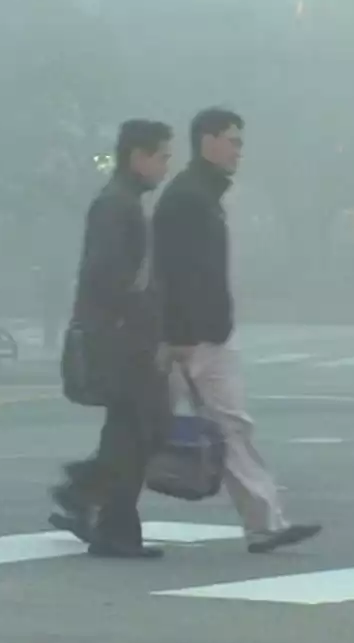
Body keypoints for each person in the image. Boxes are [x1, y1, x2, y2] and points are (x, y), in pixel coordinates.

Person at [153, 107, 322, 554]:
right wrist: (176, 335)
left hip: (203, 333)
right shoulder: (187, 199)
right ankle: (91, 498)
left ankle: (264, 522)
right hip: (193, 338)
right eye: (234, 141)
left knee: (223, 428)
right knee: (159, 429)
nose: (239, 151)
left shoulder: (200, 196)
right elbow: (173, 272)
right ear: (207, 141)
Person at [51, 119, 174, 559]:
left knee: (131, 433)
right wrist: (142, 326)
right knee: (140, 429)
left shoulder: (123, 202)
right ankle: (92, 498)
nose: (165, 167)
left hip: (125, 338)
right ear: (137, 156)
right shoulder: (115, 206)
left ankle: (103, 514)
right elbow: (108, 278)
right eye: (162, 156)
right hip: (122, 342)